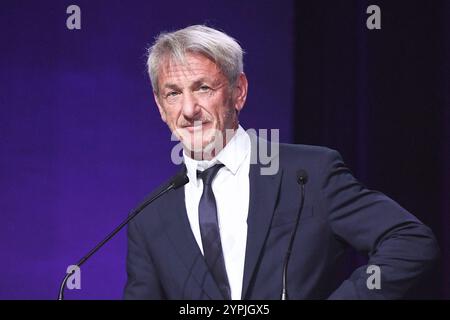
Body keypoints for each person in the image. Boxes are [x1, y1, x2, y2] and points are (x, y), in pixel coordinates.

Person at [124, 25, 439, 300]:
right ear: (160, 106)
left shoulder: (310, 173)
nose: (189, 109)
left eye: (203, 88)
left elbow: (410, 241)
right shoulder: (149, 219)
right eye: (173, 94)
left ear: (239, 91)